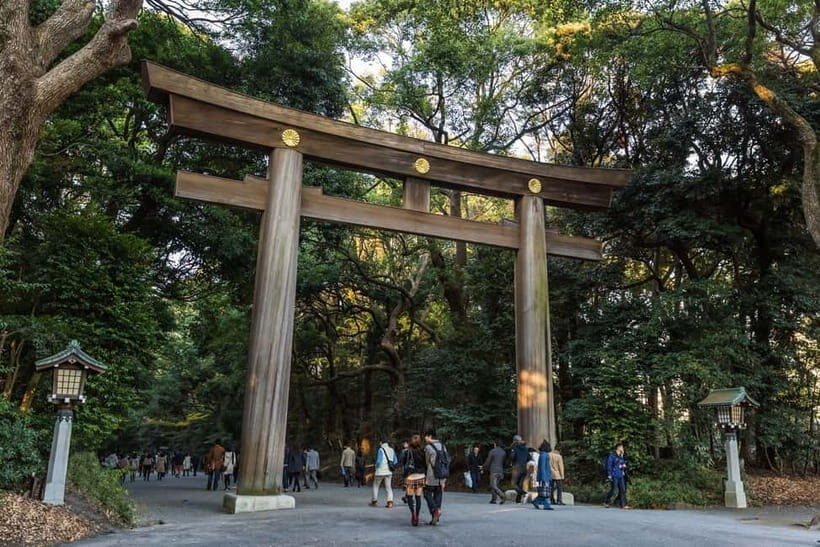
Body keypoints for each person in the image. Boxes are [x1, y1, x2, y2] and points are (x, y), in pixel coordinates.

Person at [423, 428, 447, 526]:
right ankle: (436, 519)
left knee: (427, 493)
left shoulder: (428, 447)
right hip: (442, 475)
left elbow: (426, 462)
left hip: (431, 475)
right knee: (438, 494)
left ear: (430, 436)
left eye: (426, 436)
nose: (425, 438)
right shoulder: (443, 446)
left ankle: (434, 510)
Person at [401, 435, 426, 526]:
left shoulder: (407, 451)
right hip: (420, 476)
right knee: (418, 497)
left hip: (410, 476)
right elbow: (425, 464)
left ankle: (413, 514)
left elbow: (403, 462)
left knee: (409, 497)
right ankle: (417, 516)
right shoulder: (423, 451)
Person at [370, 438, 397, 508]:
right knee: (388, 487)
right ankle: (390, 502)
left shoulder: (381, 450)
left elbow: (379, 461)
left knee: (376, 486)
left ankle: (374, 501)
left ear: (381, 442)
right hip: (389, 471)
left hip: (380, 471)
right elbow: (395, 461)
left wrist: (376, 466)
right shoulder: (392, 450)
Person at [604, 443, 629, 509]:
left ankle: (623, 505)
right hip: (614, 475)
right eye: (622, 447)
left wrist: (623, 465)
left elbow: (623, 464)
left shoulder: (621, 456)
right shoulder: (612, 455)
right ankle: (607, 501)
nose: (623, 448)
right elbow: (609, 465)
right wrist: (609, 475)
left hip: (620, 475)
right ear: (618, 447)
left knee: (623, 490)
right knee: (614, 490)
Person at [532, 440, 554, 510]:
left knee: (544, 492)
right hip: (544, 476)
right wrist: (544, 477)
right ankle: (546, 505)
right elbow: (542, 467)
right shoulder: (544, 455)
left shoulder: (543, 454)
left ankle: (536, 501)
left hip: (544, 476)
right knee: (545, 492)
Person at [509, 435, 529, 503]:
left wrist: (511, 461)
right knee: (520, 484)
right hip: (524, 467)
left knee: (513, 484)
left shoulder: (514, 447)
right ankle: (518, 499)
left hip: (517, 467)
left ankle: (523, 492)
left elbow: (512, 456)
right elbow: (529, 458)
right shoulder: (525, 448)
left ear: (514, 441)